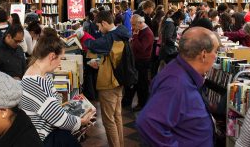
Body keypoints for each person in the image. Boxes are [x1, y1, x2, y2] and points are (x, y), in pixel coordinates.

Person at [137, 27, 218, 147]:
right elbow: (147, 122)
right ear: (204, 54)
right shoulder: (176, 83)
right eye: (215, 51)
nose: (216, 56)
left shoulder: (181, 72)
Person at [19, 29, 94, 146]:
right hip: (44, 138)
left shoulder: (41, 74)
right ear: (52, 56)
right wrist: (81, 121)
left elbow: (53, 105)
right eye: (60, 59)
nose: (60, 64)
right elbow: (58, 119)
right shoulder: (36, 82)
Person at [83, 10, 131, 147]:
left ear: (104, 23)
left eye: (98, 26)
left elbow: (91, 44)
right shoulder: (122, 33)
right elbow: (112, 57)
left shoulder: (110, 38)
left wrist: (83, 36)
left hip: (109, 83)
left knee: (108, 121)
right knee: (117, 117)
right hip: (119, 80)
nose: (98, 29)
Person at [127, 14, 154, 111]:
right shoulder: (139, 30)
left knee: (142, 84)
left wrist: (134, 37)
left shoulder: (147, 33)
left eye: (133, 25)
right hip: (137, 60)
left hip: (143, 61)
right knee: (136, 82)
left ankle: (143, 104)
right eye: (131, 24)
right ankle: (130, 102)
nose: (132, 27)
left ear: (140, 23)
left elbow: (141, 48)